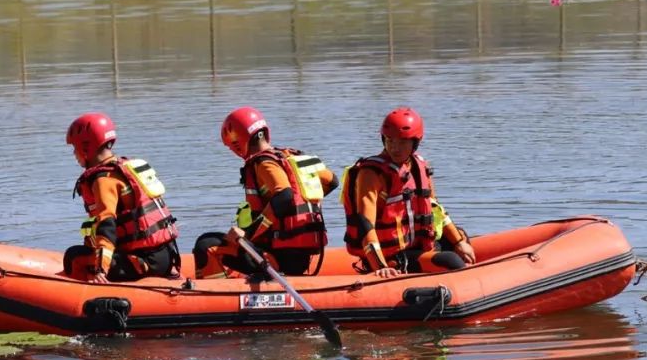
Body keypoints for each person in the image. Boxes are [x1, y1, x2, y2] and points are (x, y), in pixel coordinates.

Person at [194, 107, 337, 279]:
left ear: (237, 140)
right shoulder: (292, 157)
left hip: (278, 257)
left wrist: (247, 233)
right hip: (301, 256)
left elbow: (284, 196)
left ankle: (215, 300)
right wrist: (306, 201)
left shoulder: (263, 163)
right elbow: (332, 181)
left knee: (206, 244)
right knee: (218, 238)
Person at [341, 107, 475, 278]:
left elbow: (435, 209)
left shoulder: (420, 167)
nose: (395, 148)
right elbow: (365, 224)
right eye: (390, 140)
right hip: (391, 256)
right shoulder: (371, 174)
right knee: (451, 262)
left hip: (416, 245)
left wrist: (458, 242)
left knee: (462, 238)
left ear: (415, 142)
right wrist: (380, 266)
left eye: (402, 142)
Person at [63, 112, 180, 283]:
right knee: (87, 251)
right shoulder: (125, 167)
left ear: (85, 147)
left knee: (74, 257)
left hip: (145, 261)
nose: (74, 153)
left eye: (75, 148)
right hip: (166, 255)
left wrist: (101, 268)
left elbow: (107, 226)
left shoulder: (104, 180)